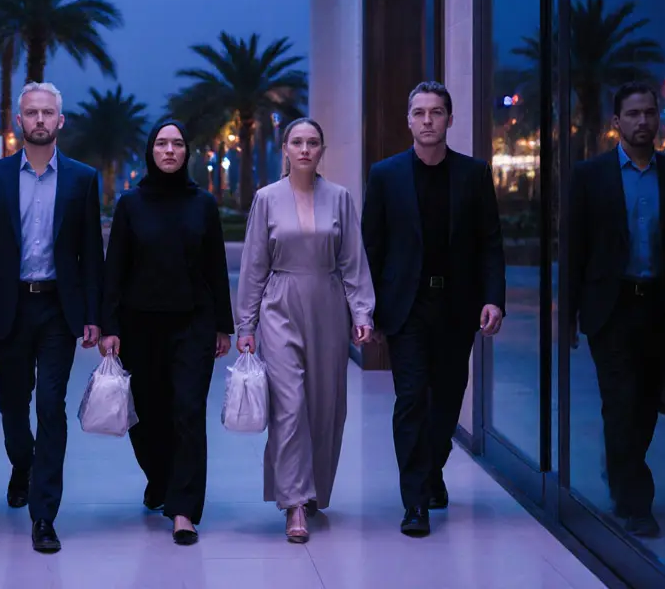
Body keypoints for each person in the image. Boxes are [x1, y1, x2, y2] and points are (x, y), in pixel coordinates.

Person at [0, 81, 104, 554]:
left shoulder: (83, 179)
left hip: (57, 309)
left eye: (48, 113)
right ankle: (21, 464)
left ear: (60, 121)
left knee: (50, 405)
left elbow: (91, 253)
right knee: (12, 406)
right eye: (31, 113)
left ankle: (44, 515)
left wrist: (92, 315)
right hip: (9, 307)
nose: (40, 120)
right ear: (18, 121)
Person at [362, 81, 505, 538]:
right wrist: (368, 311)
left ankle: (432, 470)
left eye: (436, 112)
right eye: (419, 112)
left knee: (446, 401)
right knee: (410, 399)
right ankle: (415, 501)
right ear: (408, 120)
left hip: (458, 305)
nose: (427, 120)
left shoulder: (474, 174)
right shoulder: (385, 175)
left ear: (449, 118)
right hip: (407, 306)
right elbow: (372, 247)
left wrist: (493, 297)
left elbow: (490, 244)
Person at [568, 81, 665, 538]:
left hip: (661, 309)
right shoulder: (590, 176)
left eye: (649, 113)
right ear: (616, 122)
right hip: (612, 307)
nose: (643, 121)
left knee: (645, 406)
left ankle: (622, 469)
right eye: (634, 113)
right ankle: (635, 501)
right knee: (620, 404)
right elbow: (575, 249)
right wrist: (567, 315)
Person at [235, 117, 375, 544]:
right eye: (297, 142)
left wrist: (362, 313)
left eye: (313, 142)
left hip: (328, 304)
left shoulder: (340, 198)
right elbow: (254, 265)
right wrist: (246, 323)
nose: (305, 149)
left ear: (322, 150)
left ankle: (314, 489)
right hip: (280, 305)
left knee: (324, 404)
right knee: (290, 405)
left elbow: (352, 259)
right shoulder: (266, 199)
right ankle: (294, 502)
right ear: (285, 149)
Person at [99, 120, 234, 546]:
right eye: (162, 143)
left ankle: (183, 510)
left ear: (186, 152)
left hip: (193, 321)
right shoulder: (131, 205)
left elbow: (215, 267)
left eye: (177, 144)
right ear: (151, 151)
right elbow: (114, 271)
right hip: (140, 325)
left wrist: (223, 326)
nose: (170, 150)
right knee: (146, 415)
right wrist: (110, 327)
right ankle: (160, 479)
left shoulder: (203, 205)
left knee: (189, 412)